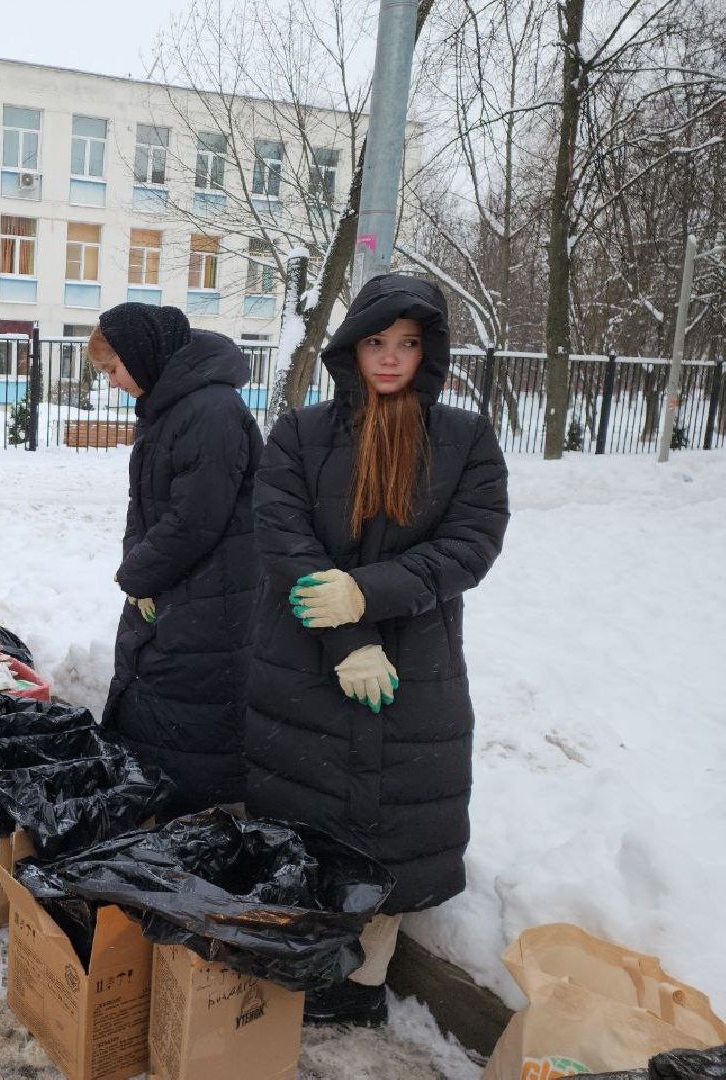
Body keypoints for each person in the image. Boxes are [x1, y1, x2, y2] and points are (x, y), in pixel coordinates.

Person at [244, 274, 510, 1026]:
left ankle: (365, 986)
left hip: (416, 660)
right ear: (351, 347)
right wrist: (349, 636)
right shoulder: (301, 432)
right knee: (307, 813)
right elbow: (282, 536)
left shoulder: (464, 439)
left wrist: (370, 594)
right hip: (304, 659)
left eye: (408, 344)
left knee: (394, 823)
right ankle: (307, 966)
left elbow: (472, 543)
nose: (390, 359)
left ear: (429, 350)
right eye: (376, 342)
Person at [91, 303, 263, 816]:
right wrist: (140, 573)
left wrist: (138, 573)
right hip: (176, 583)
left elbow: (197, 517)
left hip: (211, 592)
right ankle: (163, 807)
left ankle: (193, 818)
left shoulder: (210, 410)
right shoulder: (172, 405)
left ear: (142, 355)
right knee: (160, 700)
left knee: (191, 703)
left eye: (112, 368)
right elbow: (149, 508)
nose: (113, 382)